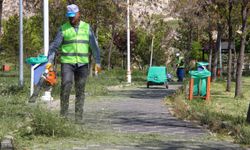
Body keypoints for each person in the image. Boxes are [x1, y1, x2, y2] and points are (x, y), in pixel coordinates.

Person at [47, 4, 101, 122]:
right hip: (67, 64)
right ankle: (63, 116)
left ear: (78, 14)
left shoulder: (87, 28)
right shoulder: (63, 28)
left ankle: (78, 118)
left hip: (82, 64)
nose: (71, 19)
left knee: (80, 90)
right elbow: (54, 47)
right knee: (66, 86)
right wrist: (49, 61)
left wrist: (98, 62)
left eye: (73, 16)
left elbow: (94, 46)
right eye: (69, 16)